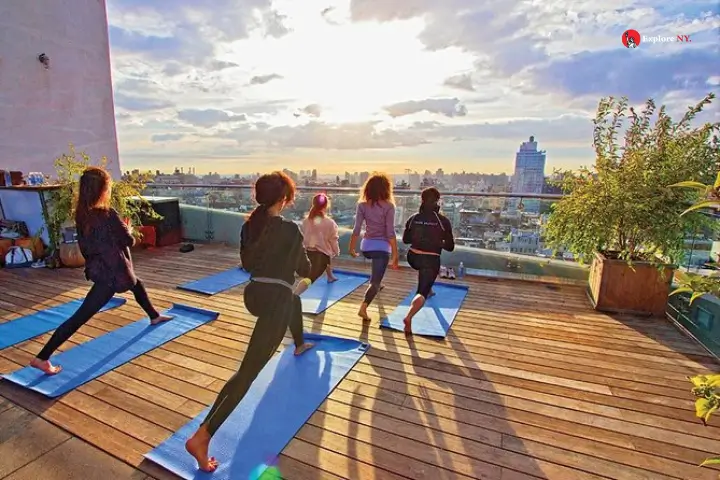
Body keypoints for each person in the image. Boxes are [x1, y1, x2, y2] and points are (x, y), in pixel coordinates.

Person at [185, 171, 315, 473]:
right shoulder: (289, 230)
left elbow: (247, 263)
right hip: (275, 301)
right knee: (247, 374)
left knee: (246, 370)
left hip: (255, 295)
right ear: (282, 200)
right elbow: (304, 267)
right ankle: (203, 436)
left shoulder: (250, 226)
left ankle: (204, 432)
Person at [30, 167, 173, 375]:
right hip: (111, 273)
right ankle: (42, 357)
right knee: (81, 316)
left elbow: (95, 243)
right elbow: (129, 241)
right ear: (101, 190)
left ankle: (154, 315)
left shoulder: (82, 213)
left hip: (102, 267)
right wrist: (128, 229)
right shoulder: (106, 214)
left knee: (136, 283)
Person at [402, 187, 455, 334]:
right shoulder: (443, 221)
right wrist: (437, 242)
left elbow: (406, 240)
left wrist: (420, 238)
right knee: (421, 292)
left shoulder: (413, 218)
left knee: (425, 272)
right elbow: (450, 247)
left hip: (412, 257)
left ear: (422, 200)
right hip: (430, 259)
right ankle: (409, 316)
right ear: (437, 201)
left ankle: (429, 288)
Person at [349, 173, 399, 321]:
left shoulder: (362, 205)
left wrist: (352, 248)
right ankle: (363, 308)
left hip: (366, 247)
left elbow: (357, 228)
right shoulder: (389, 206)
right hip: (381, 248)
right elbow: (390, 232)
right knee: (374, 282)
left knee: (377, 274)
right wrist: (395, 255)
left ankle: (378, 283)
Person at [294, 193, 340, 296]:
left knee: (325, 253)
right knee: (309, 279)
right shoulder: (330, 223)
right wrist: (336, 251)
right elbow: (333, 240)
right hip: (320, 256)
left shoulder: (306, 221)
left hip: (307, 253)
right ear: (326, 206)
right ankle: (295, 296)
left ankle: (330, 276)